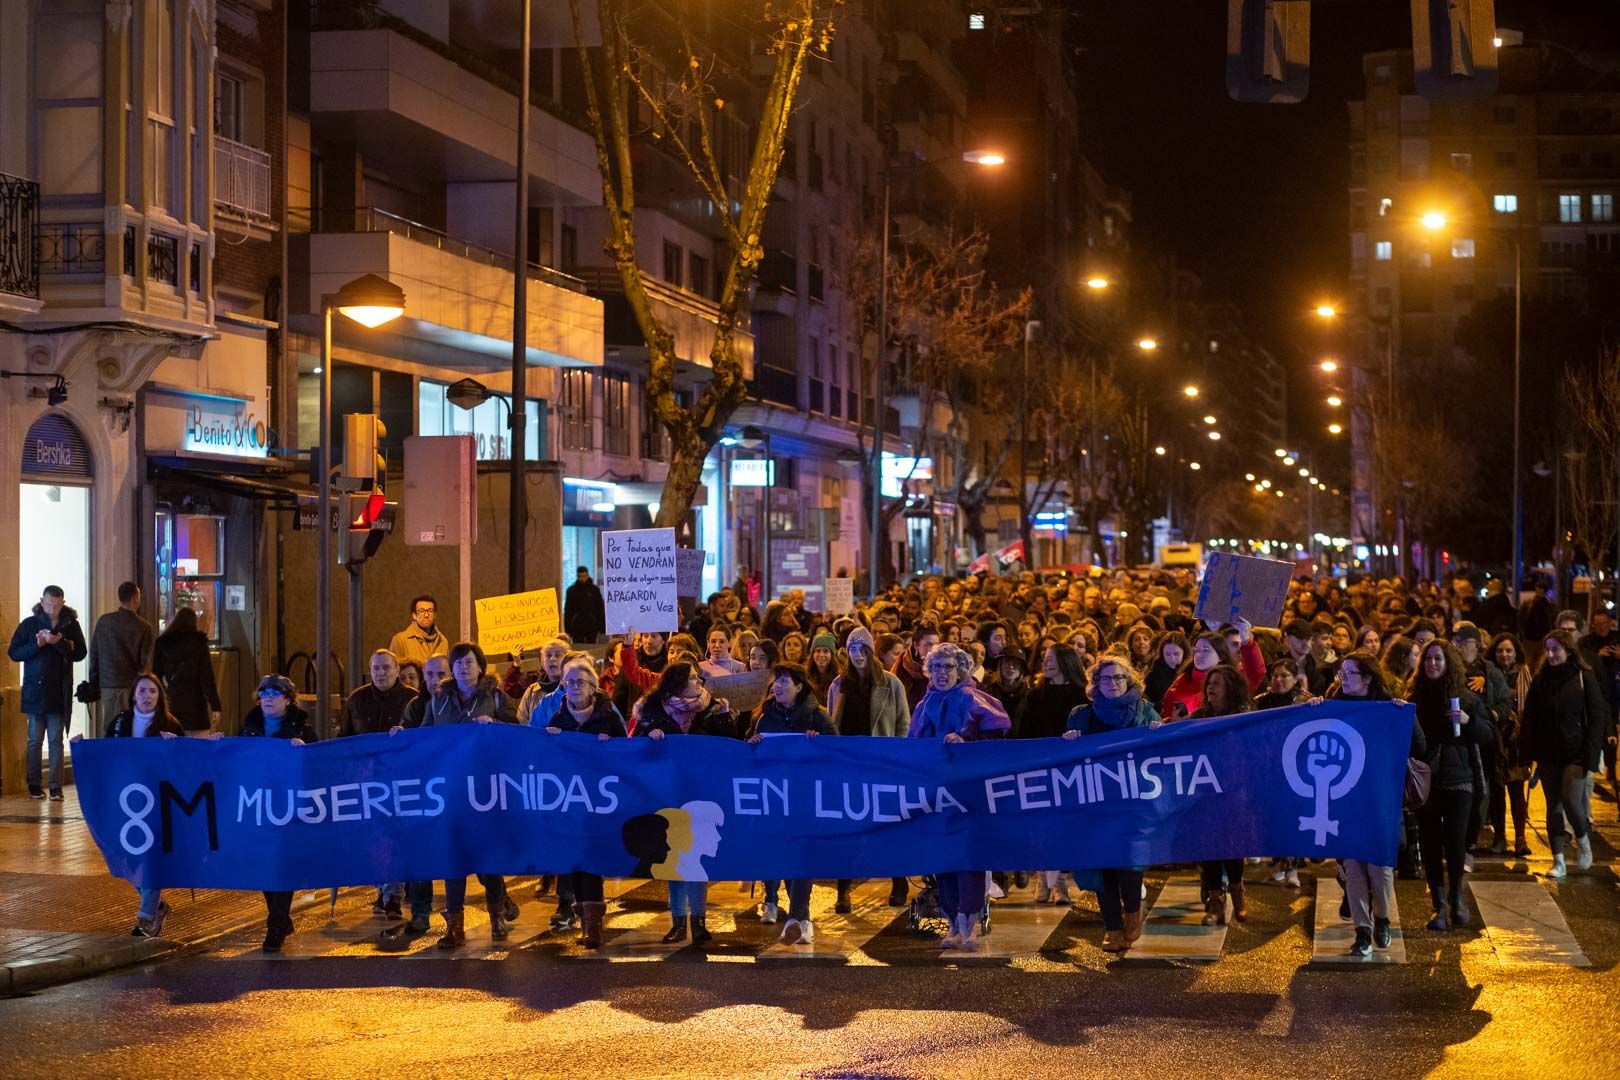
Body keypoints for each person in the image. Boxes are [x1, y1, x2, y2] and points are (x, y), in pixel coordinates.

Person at [70, 672, 192, 937]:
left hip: (158, 804)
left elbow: (185, 763)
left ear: (160, 696)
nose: (147, 696)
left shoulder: (169, 724)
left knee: (150, 857)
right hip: (127, 803)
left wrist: (176, 746)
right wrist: (83, 748)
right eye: (142, 691)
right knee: (130, 856)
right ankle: (157, 907)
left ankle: (147, 916)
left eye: (152, 691)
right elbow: (106, 755)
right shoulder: (120, 723)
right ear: (133, 695)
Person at [908, 642, 1010, 951]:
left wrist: (966, 739)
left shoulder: (972, 698)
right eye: (936, 667)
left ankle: (970, 923)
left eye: (948, 667)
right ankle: (953, 922)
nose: (941, 673)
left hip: (969, 791)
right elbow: (912, 744)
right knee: (944, 858)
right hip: (938, 792)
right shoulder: (924, 704)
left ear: (960, 669)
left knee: (969, 858)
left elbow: (998, 730)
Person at [415, 641, 518, 947]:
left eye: (469, 662)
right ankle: (454, 925)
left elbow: (517, 732)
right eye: (458, 663)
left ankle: (496, 913)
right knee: (453, 855)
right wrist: (403, 738)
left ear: (481, 666)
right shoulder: (439, 700)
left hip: (487, 788)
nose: (463, 668)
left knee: (488, 855)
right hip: (451, 788)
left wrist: (495, 724)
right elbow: (426, 735)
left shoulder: (496, 696)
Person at [1325, 650, 1423, 957]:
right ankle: (1362, 931)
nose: (1343, 679)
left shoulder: (1387, 708)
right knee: (1353, 868)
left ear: (1367, 677)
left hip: (1380, 799)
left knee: (1379, 870)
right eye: (1341, 673)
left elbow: (1419, 745)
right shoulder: (1335, 706)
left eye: (1349, 673)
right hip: (1346, 798)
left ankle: (1381, 916)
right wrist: (1315, 709)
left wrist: (1405, 716)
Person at [634, 662, 738, 944]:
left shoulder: (711, 707)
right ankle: (678, 922)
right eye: (692, 678)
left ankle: (699, 921)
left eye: (697, 677)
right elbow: (634, 748)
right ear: (677, 683)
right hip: (668, 794)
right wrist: (650, 737)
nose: (698, 681)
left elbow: (728, 744)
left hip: (702, 793)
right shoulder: (653, 710)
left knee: (697, 859)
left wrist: (725, 716)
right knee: (676, 858)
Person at [1063, 657, 1159, 952]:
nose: (1113, 683)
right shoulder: (1082, 715)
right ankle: (1112, 928)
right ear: (1096, 683)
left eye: (1119, 678)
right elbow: (1066, 757)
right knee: (1103, 864)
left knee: (1130, 863)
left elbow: (1162, 752)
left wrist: (1159, 733)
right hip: (1097, 803)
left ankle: (1133, 911)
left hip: (1132, 802)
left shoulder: (1144, 711)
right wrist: (1069, 740)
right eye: (1106, 679)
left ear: (1130, 681)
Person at [746, 664, 835, 942]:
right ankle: (774, 899)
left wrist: (819, 743)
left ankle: (801, 915)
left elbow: (838, 751)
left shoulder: (817, 715)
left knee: (801, 856)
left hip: (804, 799)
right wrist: (753, 743)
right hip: (773, 799)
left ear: (799, 686)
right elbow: (748, 752)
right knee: (778, 853)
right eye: (776, 681)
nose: (777, 686)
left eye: (784, 681)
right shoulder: (764, 716)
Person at [542, 660, 627, 947]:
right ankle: (584, 918)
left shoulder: (608, 717)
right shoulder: (558, 720)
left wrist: (611, 745)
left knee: (590, 857)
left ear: (593, 687)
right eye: (569, 682)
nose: (574, 687)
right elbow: (546, 763)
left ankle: (593, 926)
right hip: (569, 802)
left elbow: (627, 754)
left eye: (580, 682)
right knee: (575, 860)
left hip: (599, 802)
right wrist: (549, 742)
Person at [1409, 640, 1492, 930]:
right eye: (1428, 658)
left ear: (1449, 664)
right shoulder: (1414, 697)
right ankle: (1438, 906)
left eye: (1438, 659)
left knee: (1456, 842)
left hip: (1460, 780)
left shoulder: (1466, 699)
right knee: (1431, 842)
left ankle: (1457, 898)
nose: (1432, 663)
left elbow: (1487, 735)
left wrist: (1468, 721)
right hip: (1427, 779)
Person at [827, 625, 912, 906]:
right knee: (847, 827)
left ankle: (898, 881)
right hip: (848, 764)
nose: (857, 655)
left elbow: (903, 722)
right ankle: (843, 888)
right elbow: (831, 721)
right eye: (852, 649)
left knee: (888, 823)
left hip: (881, 763)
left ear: (871, 652)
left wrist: (895, 754)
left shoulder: (890, 683)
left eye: (863, 649)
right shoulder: (839, 685)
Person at [1523, 629, 1609, 879]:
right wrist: (1527, 751)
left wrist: (1592, 754)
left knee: (1572, 800)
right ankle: (1558, 860)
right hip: (1549, 752)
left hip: (1576, 752)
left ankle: (1583, 840)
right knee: (1553, 807)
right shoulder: (1541, 679)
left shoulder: (1584, 676)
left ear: (1568, 651)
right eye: (1547, 649)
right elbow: (1531, 717)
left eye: (1555, 649)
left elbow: (1597, 716)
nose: (1550, 654)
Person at [240, 674, 317, 952]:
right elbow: (236, 760)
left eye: (275, 693)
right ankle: (280, 918)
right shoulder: (250, 726)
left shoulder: (302, 727)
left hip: (289, 808)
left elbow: (318, 763)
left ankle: (275, 924)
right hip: (259, 806)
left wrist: (304, 751)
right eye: (263, 693)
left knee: (282, 863)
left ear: (288, 699)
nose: (268, 698)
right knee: (264, 864)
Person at [1184, 666, 1255, 925]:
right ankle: (1215, 902)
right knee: (1208, 847)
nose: (1211, 688)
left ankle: (1237, 891)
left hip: (1235, 794)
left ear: (1231, 689)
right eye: (1209, 683)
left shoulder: (1243, 717)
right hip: (1205, 795)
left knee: (1233, 847)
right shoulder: (1199, 716)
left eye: (1218, 683)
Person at [9, 585, 89, 799]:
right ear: (42, 602)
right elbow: (14, 652)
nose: (52, 609)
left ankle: (56, 787)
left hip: (59, 691)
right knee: (34, 740)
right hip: (35, 690)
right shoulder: (29, 624)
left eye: (57, 605)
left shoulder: (70, 625)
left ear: (63, 603)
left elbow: (80, 653)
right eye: (49, 604)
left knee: (56, 740)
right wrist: (38, 645)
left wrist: (59, 643)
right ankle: (34, 783)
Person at [1160, 621, 1264, 720]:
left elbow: (1256, 673)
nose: (1199, 655)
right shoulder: (1182, 681)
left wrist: (1248, 643)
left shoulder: (1232, 681)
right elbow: (1164, 717)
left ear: (1220, 656)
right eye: (1196, 650)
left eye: (1206, 650)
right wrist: (1173, 723)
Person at [1488, 632, 1533, 857]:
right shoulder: (1488, 674)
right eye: (1500, 650)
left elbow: (1530, 708)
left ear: (1516, 653)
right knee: (1496, 792)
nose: (1504, 654)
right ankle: (1499, 837)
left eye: (1508, 650)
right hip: (1496, 740)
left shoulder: (1523, 674)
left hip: (1516, 742)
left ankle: (1520, 838)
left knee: (1516, 792)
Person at [85, 581, 154, 721]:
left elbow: (94, 654)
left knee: (111, 727)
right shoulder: (144, 627)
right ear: (135, 598)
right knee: (133, 727)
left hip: (108, 685)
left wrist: (94, 682)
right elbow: (146, 663)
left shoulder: (104, 622)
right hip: (133, 686)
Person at [150, 608, 221, 738]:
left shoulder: (162, 643)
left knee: (173, 745)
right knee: (199, 749)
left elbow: (156, 677)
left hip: (172, 701)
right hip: (196, 703)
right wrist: (215, 706)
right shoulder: (199, 643)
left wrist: (159, 702)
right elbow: (207, 678)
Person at [340, 649, 418, 738]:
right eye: (376, 668)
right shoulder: (356, 699)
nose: (380, 672)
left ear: (397, 671)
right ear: (370, 671)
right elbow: (343, 738)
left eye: (386, 667)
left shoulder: (413, 698)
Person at [389, 595, 449, 668]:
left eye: (430, 611)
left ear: (435, 615)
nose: (426, 615)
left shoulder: (442, 642)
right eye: (421, 611)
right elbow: (392, 670)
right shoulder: (400, 640)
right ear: (414, 615)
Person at [1144, 632, 1189, 707]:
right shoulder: (1154, 674)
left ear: (1184, 652)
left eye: (1176, 654)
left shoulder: (1191, 671)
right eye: (1167, 654)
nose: (1172, 658)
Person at [563, 566, 607, 644]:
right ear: (577, 576)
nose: (582, 579)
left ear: (587, 575)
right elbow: (568, 611)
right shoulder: (571, 591)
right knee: (578, 648)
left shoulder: (594, 590)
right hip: (577, 625)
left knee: (591, 647)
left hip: (592, 625)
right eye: (580, 576)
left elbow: (600, 609)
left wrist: (602, 627)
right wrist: (568, 629)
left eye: (584, 576)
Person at [804, 632, 839, 706]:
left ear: (832, 655)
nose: (821, 655)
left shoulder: (838, 679)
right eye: (818, 651)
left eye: (826, 651)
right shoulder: (805, 676)